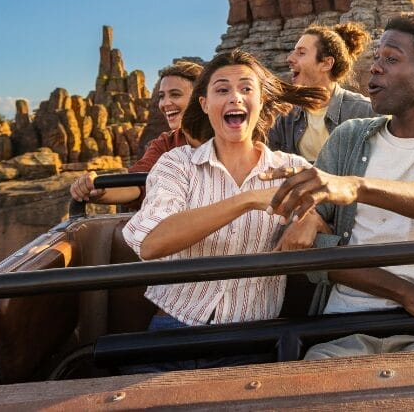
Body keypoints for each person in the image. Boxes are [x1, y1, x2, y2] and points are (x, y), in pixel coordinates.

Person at [262, 12, 414, 358]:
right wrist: (408, 294)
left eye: (391, 59)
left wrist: (357, 188)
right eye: (376, 57)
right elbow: (307, 247)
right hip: (343, 328)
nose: (375, 67)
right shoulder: (348, 138)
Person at [122, 48, 328, 343]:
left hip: (255, 337)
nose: (235, 98)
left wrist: (313, 221)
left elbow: (335, 233)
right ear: (204, 104)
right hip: (173, 332)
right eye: (222, 90)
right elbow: (151, 243)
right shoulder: (177, 164)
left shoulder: (292, 168)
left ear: (262, 100)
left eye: (246, 89)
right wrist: (246, 200)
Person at [69, 60, 203, 207]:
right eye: (161, 96)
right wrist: (99, 189)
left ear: (201, 99)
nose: (165, 103)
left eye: (175, 95)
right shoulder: (165, 143)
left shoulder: (221, 139)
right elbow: (137, 183)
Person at [268, 22, 374, 161]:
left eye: (301, 53)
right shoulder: (285, 117)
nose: (290, 59)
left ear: (326, 64)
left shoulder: (366, 112)